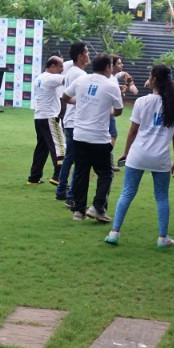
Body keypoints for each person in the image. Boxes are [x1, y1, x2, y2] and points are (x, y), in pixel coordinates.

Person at [105, 64, 174, 246]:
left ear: (154, 79)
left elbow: (133, 131)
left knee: (127, 193)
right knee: (162, 197)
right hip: (161, 157)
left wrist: (125, 152)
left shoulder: (142, 102)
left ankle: (114, 233)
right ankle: (163, 237)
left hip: (138, 154)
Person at [63, 54, 123, 222]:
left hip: (79, 135)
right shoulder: (111, 85)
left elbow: (65, 97)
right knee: (105, 173)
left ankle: (78, 211)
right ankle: (97, 207)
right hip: (99, 138)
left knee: (81, 173)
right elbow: (118, 111)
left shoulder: (82, 80)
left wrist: (80, 102)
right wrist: (107, 111)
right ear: (107, 68)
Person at [54, 42, 91, 201]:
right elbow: (75, 98)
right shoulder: (81, 75)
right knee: (79, 160)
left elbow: (67, 97)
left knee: (70, 158)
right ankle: (71, 195)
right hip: (77, 121)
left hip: (70, 120)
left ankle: (62, 190)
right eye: (87, 52)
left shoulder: (72, 72)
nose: (89, 55)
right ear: (80, 56)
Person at [28, 55, 67, 184]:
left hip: (39, 117)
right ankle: (58, 176)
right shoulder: (51, 78)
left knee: (42, 149)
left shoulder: (39, 78)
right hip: (51, 117)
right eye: (60, 66)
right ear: (52, 66)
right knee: (60, 146)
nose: (62, 69)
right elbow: (68, 79)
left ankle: (34, 177)